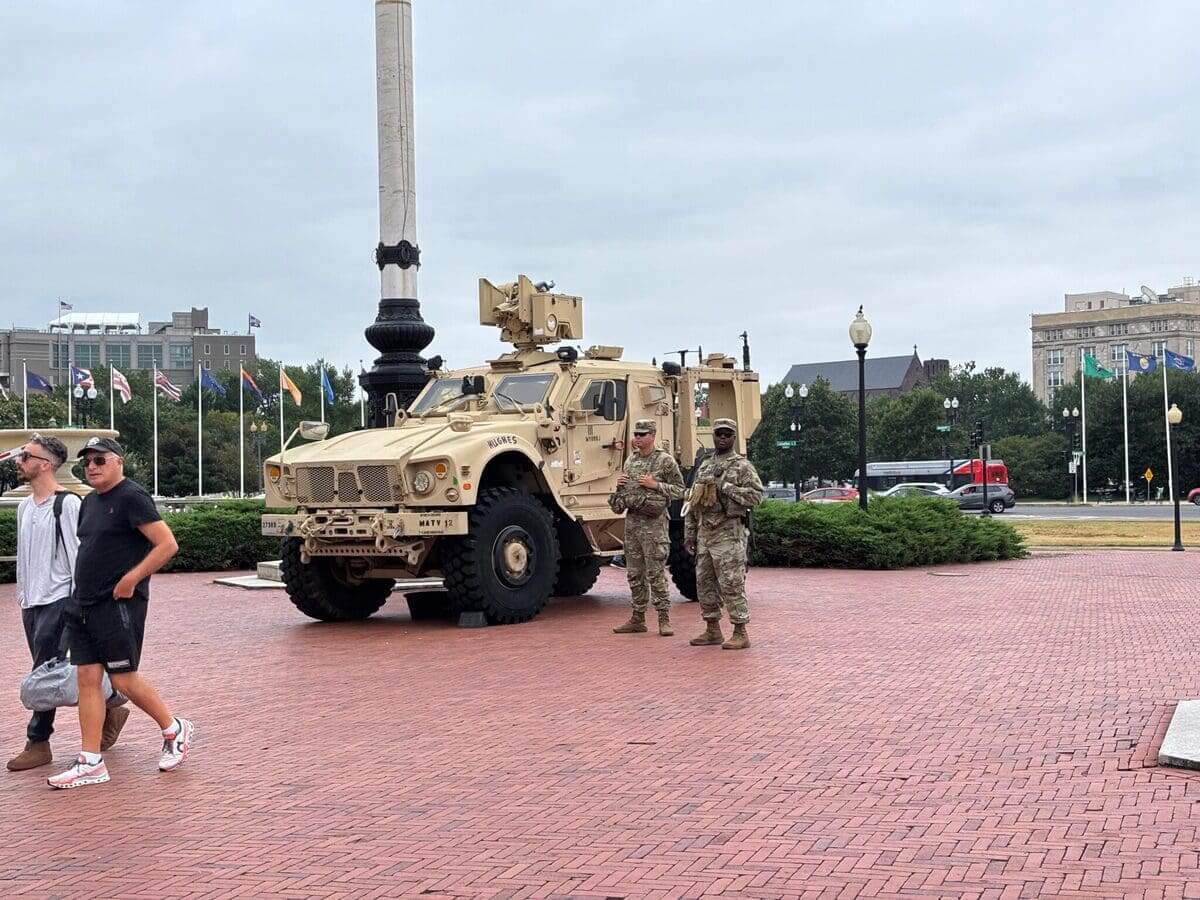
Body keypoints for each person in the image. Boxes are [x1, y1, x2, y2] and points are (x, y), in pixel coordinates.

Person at [47, 437, 194, 790]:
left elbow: (167, 544)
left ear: (118, 462)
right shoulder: (90, 503)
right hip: (84, 604)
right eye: (87, 462)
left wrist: (131, 579)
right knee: (87, 679)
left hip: (118, 605)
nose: (92, 467)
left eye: (99, 460)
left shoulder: (131, 497)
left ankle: (174, 728)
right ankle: (91, 761)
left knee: (123, 679)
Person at [7, 436, 129, 771]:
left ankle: (38, 741)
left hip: (59, 599)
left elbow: (81, 559)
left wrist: (79, 603)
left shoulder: (68, 504)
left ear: (45, 464)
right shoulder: (25, 506)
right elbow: (24, 559)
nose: (19, 461)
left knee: (43, 671)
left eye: (25, 456)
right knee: (56, 670)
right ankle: (113, 703)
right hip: (31, 601)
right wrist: (22, 595)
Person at [684, 418, 763, 650]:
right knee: (704, 583)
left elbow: (756, 496)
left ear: (734, 437)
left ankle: (740, 631)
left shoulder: (742, 466)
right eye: (719, 434)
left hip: (729, 533)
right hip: (705, 534)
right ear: (713, 436)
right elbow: (693, 501)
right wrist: (690, 534)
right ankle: (712, 629)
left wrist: (727, 488)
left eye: (727, 434)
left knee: (731, 583)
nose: (722, 438)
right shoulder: (705, 465)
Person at [608, 419, 685, 637]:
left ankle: (663, 618)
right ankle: (638, 617)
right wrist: (620, 486)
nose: (637, 438)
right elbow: (624, 496)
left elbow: (680, 490)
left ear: (652, 435)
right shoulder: (630, 461)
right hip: (632, 525)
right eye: (636, 434)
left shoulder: (665, 461)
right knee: (634, 573)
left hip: (654, 526)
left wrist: (656, 485)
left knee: (655, 573)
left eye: (642, 435)